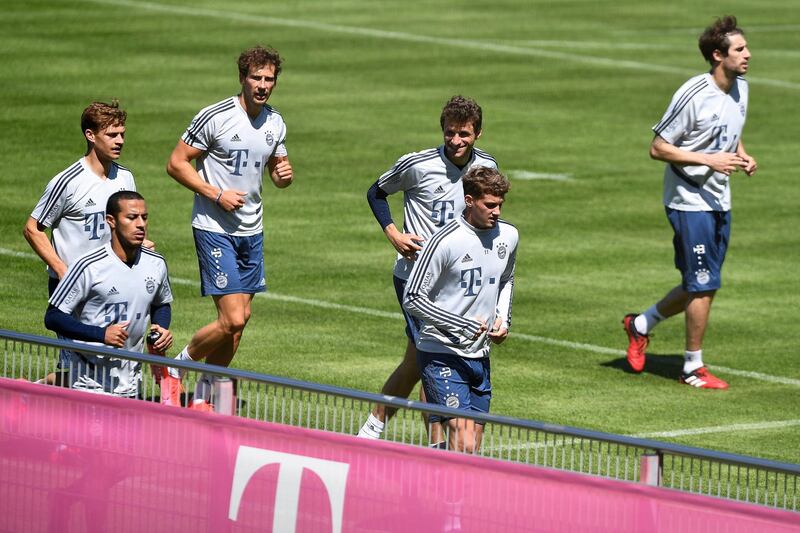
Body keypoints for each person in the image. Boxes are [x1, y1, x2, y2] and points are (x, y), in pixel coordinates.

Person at [622, 15, 757, 389]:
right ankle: (692, 367)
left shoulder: (741, 88)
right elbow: (657, 148)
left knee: (702, 283)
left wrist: (741, 154)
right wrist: (710, 160)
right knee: (702, 283)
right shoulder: (693, 94)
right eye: (740, 49)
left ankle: (641, 324)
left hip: (719, 197)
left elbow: (727, 133)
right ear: (718, 55)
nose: (748, 54)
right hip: (687, 198)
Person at [358, 96, 498, 441]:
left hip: (457, 281)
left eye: (464, 134)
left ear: (477, 133)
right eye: (450, 133)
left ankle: (371, 430)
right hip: (416, 278)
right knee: (435, 357)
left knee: (416, 361)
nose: (456, 141)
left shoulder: (486, 168)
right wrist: (394, 234)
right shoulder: (417, 165)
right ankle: (435, 445)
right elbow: (376, 193)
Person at [165, 45, 293, 411]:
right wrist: (215, 193)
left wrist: (283, 176)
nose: (263, 85)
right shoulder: (216, 116)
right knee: (231, 317)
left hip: (252, 229)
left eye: (269, 79)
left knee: (241, 322)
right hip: (214, 226)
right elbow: (176, 163)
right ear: (242, 78)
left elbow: (277, 168)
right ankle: (177, 367)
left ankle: (203, 396)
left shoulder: (275, 122)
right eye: (257, 77)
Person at [402, 166, 517, 452]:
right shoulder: (444, 242)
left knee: (470, 450)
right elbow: (413, 297)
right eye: (490, 205)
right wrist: (459, 324)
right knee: (464, 442)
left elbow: (506, 279)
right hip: (442, 353)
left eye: (500, 204)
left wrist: (504, 319)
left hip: (480, 355)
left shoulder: (509, 236)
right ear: (469, 201)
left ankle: (433, 478)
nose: (497, 212)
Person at [24, 100, 139, 384]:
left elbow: (126, 225)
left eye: (122, 134)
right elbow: (33, 229)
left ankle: (34, 391)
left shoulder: (125, 178)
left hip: (110, 286)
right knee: (83, 373)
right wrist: (63, 272)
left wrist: (141, 245)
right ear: (91, 135)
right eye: (112, 135)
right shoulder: (69, 182)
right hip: (73, 291)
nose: (120, 141)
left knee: (97, 369)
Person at [44, 191, 174, 397]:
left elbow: (161, 303)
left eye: (144, 217)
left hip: (132, 384)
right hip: (89, 384)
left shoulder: (156, 263)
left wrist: (161, 329)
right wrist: (101, 334)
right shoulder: (88, 266)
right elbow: (53, 317)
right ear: (111, 221)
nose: (141, 224)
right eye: (132, 218)